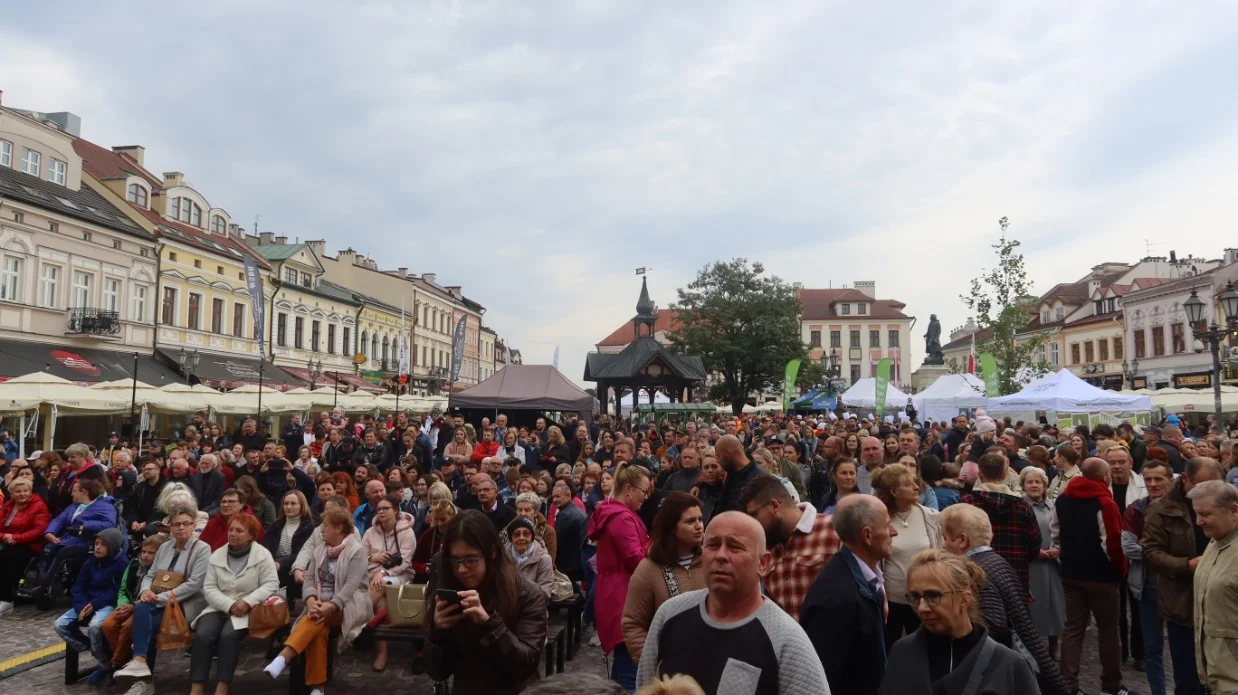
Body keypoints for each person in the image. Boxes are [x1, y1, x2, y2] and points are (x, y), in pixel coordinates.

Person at [633, 511, 829, 695]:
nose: (721, 556)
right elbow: (645, 686)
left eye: (735, 547)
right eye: (713, 545)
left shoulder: (786, 639)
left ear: (763, 563)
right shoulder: (670, 614)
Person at [939, 504, 1071, 695]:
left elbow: (992, 628)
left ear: (961, 540)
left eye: (944, 538)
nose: (943, 545)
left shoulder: (973, 573)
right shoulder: (997, 560)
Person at [877, 549, 1039, 695]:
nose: (922, 607)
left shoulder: (1010, 666)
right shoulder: (903, 653)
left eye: (933, 596)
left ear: (964, 599)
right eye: (915, 597)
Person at [424, 510, 548, 695]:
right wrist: (437, 633)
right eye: (455, 560)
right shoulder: (449, 591)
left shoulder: (526, 593)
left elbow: (525, 665)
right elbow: (437, 671)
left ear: (492, 554)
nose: (462, 569)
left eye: (471, 560)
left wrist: (489, 624)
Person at [264, 508, 372, 695]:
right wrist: (311, 600)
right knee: (318, 628)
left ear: (338, 529)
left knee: (315, 619)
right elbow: (309, 580)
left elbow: (351, 585)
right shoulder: (320, 549)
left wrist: (331, 605)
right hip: (320, 605)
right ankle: (317, 689)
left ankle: (284, 657)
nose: (321, 530)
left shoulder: (357, 550)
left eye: (326, 526)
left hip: (350, 604)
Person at [1051, 458, 1134, 695]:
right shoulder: (1104, 502)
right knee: (1109, 630)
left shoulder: (1063, 499)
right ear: (1105, 476)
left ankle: (1068, 684)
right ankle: (1111, 684)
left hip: (1071, 573)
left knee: (1073, 629)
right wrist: (1120, 569)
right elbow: (1112, 542)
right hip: (1101, 576)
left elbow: (1054, 530)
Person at [1143, 456, 1224, 695]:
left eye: (1216, 485)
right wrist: (1186, 565)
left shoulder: (1227, 500)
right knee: (1189, 679)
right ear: (1186, 480)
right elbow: (1150, 553)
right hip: (1183, 603)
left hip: (1222, 603)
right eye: (1203, 485)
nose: (1211, 492)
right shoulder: (1161, 508)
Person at [801, 495, 896, 695]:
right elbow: (825, 678)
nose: (894, 532)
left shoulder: (864, 580)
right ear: (868, 535)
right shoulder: (836, 598)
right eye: (887, 526)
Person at [114, 504, 211, 695]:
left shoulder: (202, 549)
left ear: (193, 526)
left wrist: (157, 598)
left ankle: (142, 671)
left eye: (186, 524)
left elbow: (194, 585)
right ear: (171, 527)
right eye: (176, 524)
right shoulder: (165, 547)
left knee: (145, 617)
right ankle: (141, 666)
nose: (181, 528)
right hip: (159, 601)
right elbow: (150, 575)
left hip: (186, 605)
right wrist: (144, 592)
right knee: (142, 610)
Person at [190, 513, 278, 695]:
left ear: (251, 535)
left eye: (239, 530)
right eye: (231, 529)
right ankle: (196, 686)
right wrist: (230, 605)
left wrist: (247, 602)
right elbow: (210, 587)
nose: (233, 533)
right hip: (218, 606)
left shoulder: (262, 555)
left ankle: (223, 685)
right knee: (203, 635)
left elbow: (271, 584)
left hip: (248, 610)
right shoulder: (217, 555)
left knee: (228, 636)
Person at [588, 461, 652, 690]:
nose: (646, 497)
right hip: (623, 597)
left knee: (624, 668)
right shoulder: (622, 518)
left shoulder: (619, 514)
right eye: (644, 491)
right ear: (628, 489)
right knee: (630, 672)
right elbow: (637, 559)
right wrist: (655, 546)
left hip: (617, 594)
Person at [740, 475, 839, 622]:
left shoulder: (834, 529)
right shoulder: (765, 547)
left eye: (754, 515)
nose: (751, 524)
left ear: (774, 506)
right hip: (786, 642)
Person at [622, 492, 705, 664]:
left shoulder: (712, 562)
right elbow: (633, 624)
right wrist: (655, 664)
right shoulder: (649, 568)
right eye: (690, 521)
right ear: (671, 527)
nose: (699, 526)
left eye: (700, 519)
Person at [872, 464, 941, 647]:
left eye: (915, 482)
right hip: (892, 601)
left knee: (927, 648)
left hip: (924, 599)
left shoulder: (930, 517)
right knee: (890, 646)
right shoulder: (879, 520)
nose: (916, 487)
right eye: (909, 484)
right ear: (894, 491)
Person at [1122, 457, 1173, 695]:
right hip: (1147, 584)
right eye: (1148, 479)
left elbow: (1187, 550)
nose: (1153, 484)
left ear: (1169, 480)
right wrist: (1161, 549)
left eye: (1158, 479)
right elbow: (1129, 548)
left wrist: (1148, 546)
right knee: (1152, 649)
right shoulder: (1136, 509)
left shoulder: (1184, 509)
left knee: (1183, 646)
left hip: (1178, 586)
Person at [53, 527, 128, 685]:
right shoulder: (90, 563)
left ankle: (106, 665)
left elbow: (116, 592)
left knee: (95, 626)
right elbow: (78, 587)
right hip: (87, 603)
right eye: (96, 543)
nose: (97, 547)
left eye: (103, 544)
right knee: (60, 624)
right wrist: (82, 606)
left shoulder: (121, 564)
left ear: (112, 546)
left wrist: (94, 605)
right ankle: (92, 650)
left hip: (107, 605)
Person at [31, 477, 118, 607]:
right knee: (48, 549)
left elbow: (109, 523)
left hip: (87, 541)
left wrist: (85, 526)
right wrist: (49, 533)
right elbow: (59, 520)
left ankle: (45, 585)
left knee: (64, 552)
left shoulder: (105, 506)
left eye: (74, 491)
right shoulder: (73, 507)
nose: (71, 493)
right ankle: (40, 583)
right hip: (68, 538)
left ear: (84, 492)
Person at [1187, 479, 1238, 694]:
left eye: (1206, 514)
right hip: (1216, 677)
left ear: (1233, 511)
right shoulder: (1215, 541)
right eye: (1197, 513)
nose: (1199, 521)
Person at [962, 453, 1040, 591]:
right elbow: (1034, 544)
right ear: (1005, 475)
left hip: (976, 575)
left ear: (980, 475)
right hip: (1015, 575)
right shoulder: (1023, 507)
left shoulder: (967, 504)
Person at [1103, 444, 1147, 669]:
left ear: (1130, 463)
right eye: (1112, 462)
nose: (1117, 466)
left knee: (1139, 606)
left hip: (1137, 556)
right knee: (1114, 608)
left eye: (1121, 462)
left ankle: (1140, 653)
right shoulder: (1102, 487)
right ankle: (1120, 650)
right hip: (1111, 556)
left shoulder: (1143, 486)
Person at [363, 493, 416, 671]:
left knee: (381, 583)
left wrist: (383, 571)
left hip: (400, 576)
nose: (381, 512)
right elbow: (360, 558)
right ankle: (382, 653)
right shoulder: (370, 532)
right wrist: (374, 557)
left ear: (395, 511)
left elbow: (406, 562)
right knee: (380, 601)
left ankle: (357, 615)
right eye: (378, 509)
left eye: (386, 508)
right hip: (372, 577)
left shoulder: (407, 532)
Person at [99, 534, 163, 678]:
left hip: (143, 607)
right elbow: (123, 588)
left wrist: (133, 607)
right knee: (107, 625)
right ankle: (127, 659)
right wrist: (122, 605)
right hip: (127, 603)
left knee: (128, 627)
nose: (145, 555)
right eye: (144, 551)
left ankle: (116, 663)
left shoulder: (160, 571)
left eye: (151, 553)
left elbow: (154, 595)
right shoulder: (134, 564)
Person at [1019, 466, 1065, 655]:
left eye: (1038, 482)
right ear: (1023, 485)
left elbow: (1064, 530)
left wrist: (1058, 549)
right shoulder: (1020, 506)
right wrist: (1035, 551)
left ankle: (1054, 642)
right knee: (1032, 605)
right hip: (1031, 563)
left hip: (1054, 563)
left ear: (1045, 485)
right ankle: (1032, 646)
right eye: (1029, 482)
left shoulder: (1055, 506)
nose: (1034, 485)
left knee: (1055, 604)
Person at [0, 476, 50, 614]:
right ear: (12, 494)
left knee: (6, 558)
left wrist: (16, 538)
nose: (22, 494)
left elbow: (38, 530)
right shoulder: (8, 505)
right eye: (18, 491)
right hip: (7, 541)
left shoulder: (38, 506)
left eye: (25, 490)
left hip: (31, 544)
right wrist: (4, 537)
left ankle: (6, 599)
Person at [264, 490, 315, 600]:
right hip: (273, 566)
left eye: (293, 503)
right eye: (286, 503)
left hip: (293, 569)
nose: (288, 507)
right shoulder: (276, 524)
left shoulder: (309, 527)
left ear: (302, 505)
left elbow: (302, 553)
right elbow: (266, 547)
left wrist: (280, 563)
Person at [715, 435, 766, 515]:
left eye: (718, 456)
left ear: (728, 453)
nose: (717, 461)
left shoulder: (760, 479)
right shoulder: (732, 473)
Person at [506, 516, 555, 599]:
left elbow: (545, 592)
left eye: (526, 534)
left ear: (532, 537)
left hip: (533, 608)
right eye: (516, 534)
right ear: (511, 538)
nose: (521, 538)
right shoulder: (503, 556)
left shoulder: (544, 558)